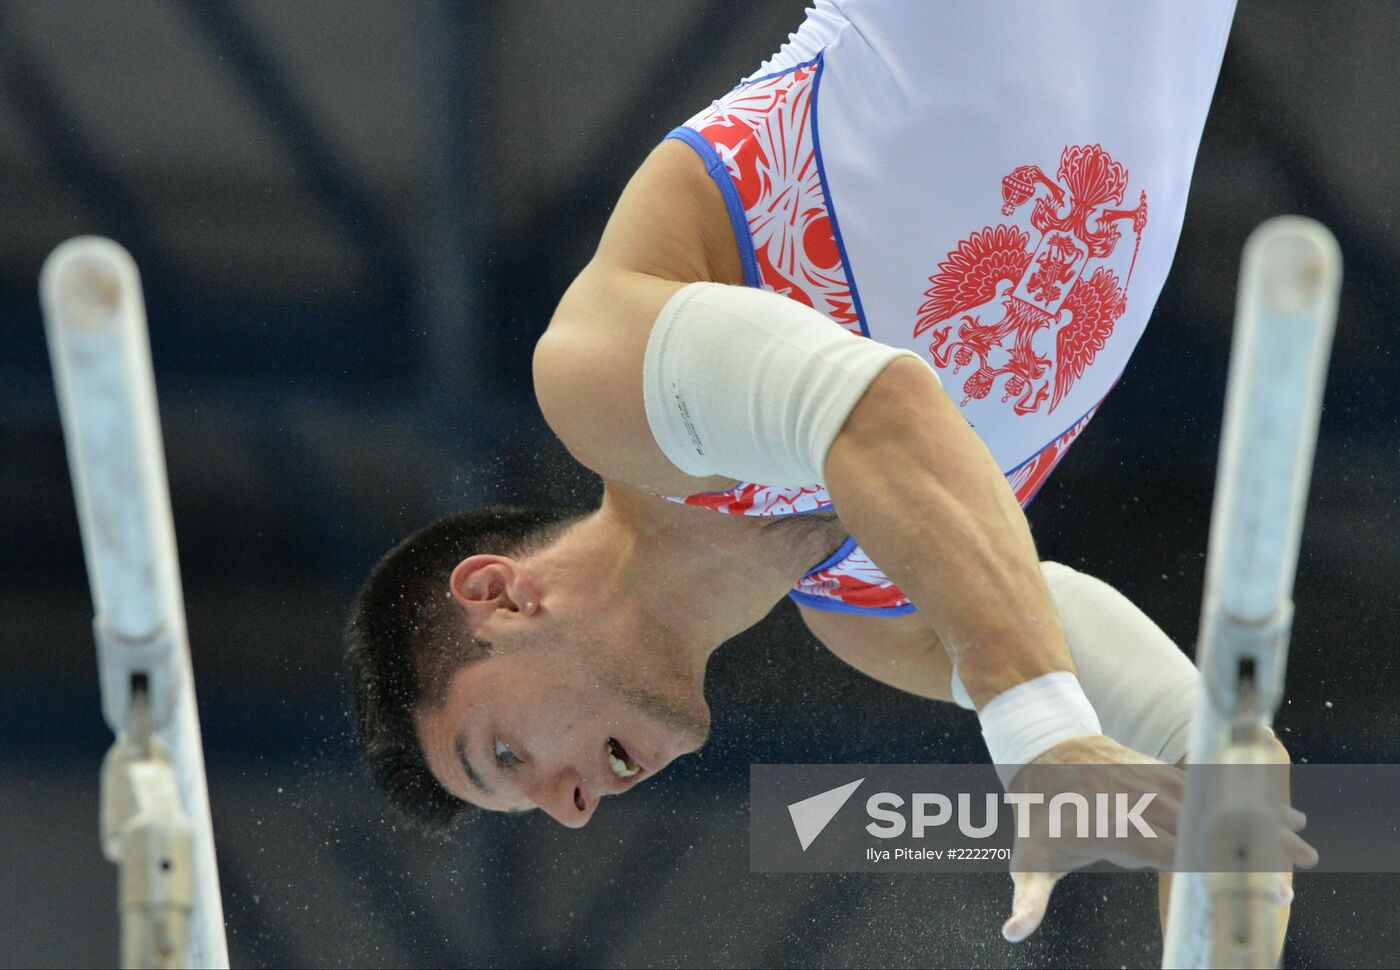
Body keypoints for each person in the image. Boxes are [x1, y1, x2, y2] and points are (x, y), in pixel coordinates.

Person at [346, 0, 1306, 945]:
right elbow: (1205, 749)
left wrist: (1039, 734)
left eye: (503, 755)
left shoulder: (600, 391)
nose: (571, 808)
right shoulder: (880, 616)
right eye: (538, 802)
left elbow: (870, 403)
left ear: (501, 597)